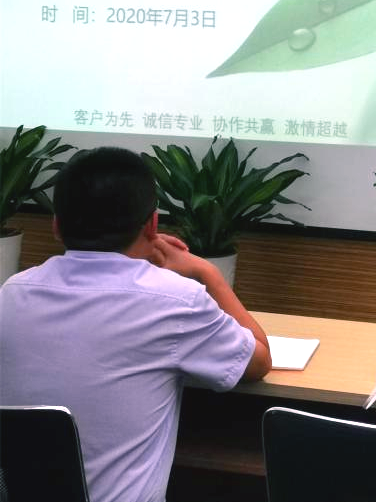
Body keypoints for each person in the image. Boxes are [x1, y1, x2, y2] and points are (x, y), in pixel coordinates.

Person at [0, 147, 272, 502]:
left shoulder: (12, 293)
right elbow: (259, 360)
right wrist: (206, 271)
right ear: (152, 225)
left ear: (56, 225)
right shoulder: (176, 301)